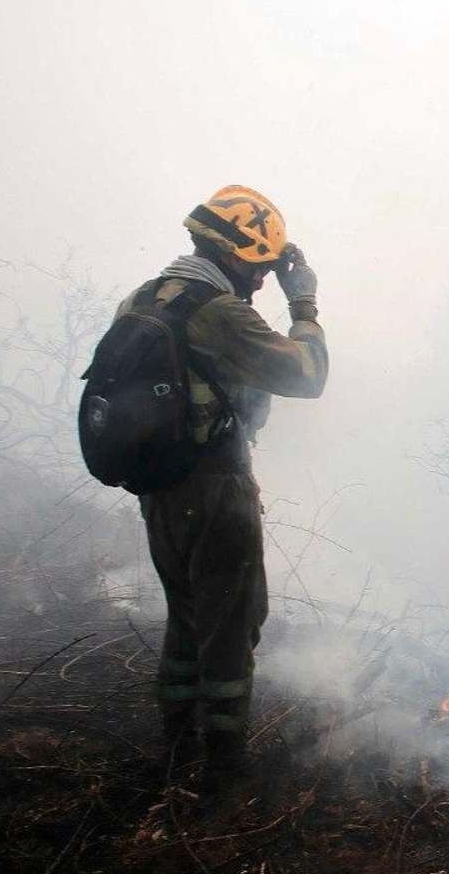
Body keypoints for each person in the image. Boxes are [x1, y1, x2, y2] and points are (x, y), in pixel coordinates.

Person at [116, 184, 329, 776]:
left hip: (159, 490)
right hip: (215, 492)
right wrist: (304, 306)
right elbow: (308, 374)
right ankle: (222, 771)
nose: (262, 280)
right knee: (232, 629)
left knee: (185, 619)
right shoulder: (219, 311)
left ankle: (175, 745)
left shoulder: (144, 299)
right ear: (234, 254)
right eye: (259, 267)